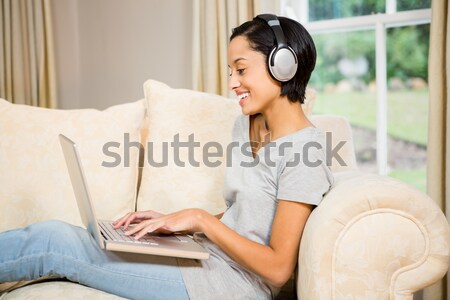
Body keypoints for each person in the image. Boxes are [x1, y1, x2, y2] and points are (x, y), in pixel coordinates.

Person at [0, 14, 334, 300]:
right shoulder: (246, 123)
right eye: (230, 70)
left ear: (283, 66)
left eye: (241, 69)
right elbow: (245, 218)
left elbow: (277, 269)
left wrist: (200, 218)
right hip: (204, 260)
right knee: (67, 235)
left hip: (227, 287)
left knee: (54, 242)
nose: (232, 82)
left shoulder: (305, 153)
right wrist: (176, 226)